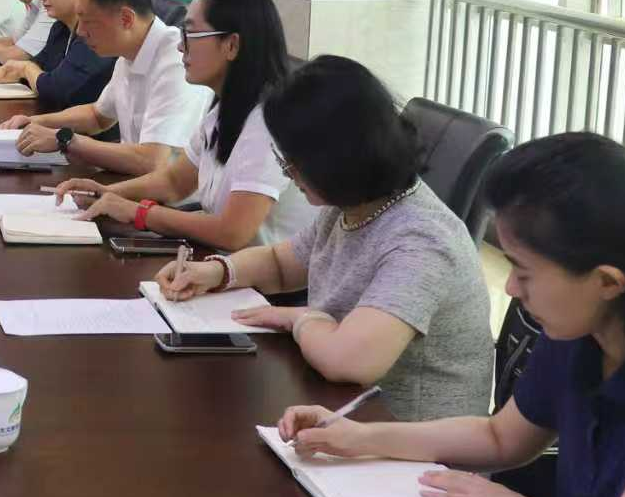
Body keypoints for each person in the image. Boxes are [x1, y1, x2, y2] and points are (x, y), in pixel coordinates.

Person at [277, 133, 625, 497]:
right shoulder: (582, 334)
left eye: (523, 272)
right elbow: (501, 437)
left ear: (608, 282)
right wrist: (358, 437)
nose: (510, 288)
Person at [157, 56, 493, 421]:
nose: (288, 172)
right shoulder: (352, 205)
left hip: (411, 440)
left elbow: (350, 362)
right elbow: (280, 265)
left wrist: (301, 319)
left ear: (335, 157)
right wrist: (217, 272)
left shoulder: (421, 240)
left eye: (292, 161)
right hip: (347, 414)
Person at [55, 0, 314, 250]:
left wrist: (140, 213)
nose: (180, 46)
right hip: (221, 263)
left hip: (257, 275)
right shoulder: (224, 109)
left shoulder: (266, 123)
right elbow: (174, 182)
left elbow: (232, 233)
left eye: (190, 35)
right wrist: (107, 193)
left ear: (231, 45)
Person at [0, 0, 210, 176]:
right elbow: (97, 116)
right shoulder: (129, 53)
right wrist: (35, 122)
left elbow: (153, 160)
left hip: (164, 194)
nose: (80, 31)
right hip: (132, 184)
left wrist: (65, 140)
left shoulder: (176, 62)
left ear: (126, 19)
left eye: (87, 21)